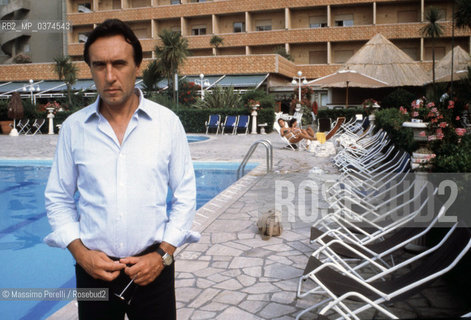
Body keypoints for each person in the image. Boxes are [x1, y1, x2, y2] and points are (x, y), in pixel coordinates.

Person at [44, 19, 197, 320]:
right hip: (93, 271)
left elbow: (186, 195)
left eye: (119, 63)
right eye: (99, 65)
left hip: (153, 268)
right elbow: (58, 198)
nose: (110, 76)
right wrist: (80, 254)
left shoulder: (166, 124)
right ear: (90, 68)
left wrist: (163, 254)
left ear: (137, 66)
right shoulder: (74, 128)